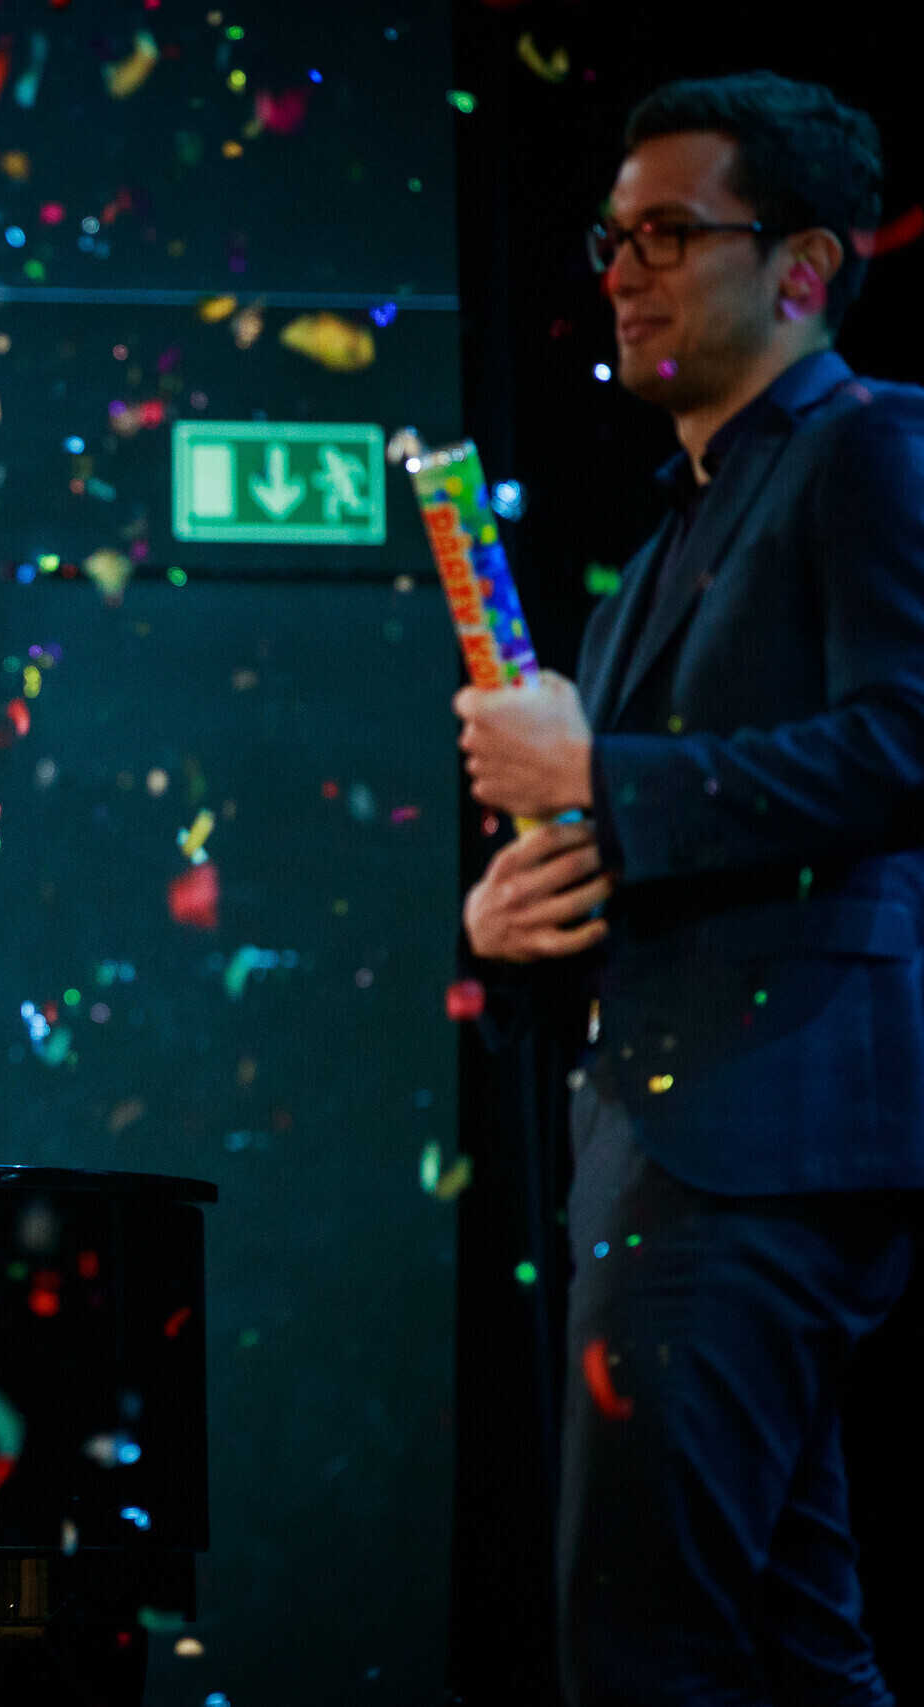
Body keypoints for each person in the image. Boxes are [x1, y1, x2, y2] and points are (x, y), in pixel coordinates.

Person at [455, 73, 923, 1707]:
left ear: (803, 267)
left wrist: (600, 776)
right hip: (664, 1130)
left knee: (641, 1649)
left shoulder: (871, 446)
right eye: (613, 238)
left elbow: (903, 741)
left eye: (669, 233)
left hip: (765, 1128)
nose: (624, 271)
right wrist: (511, 925)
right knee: (795, 1647)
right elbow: (626, 842)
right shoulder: (661, 548)